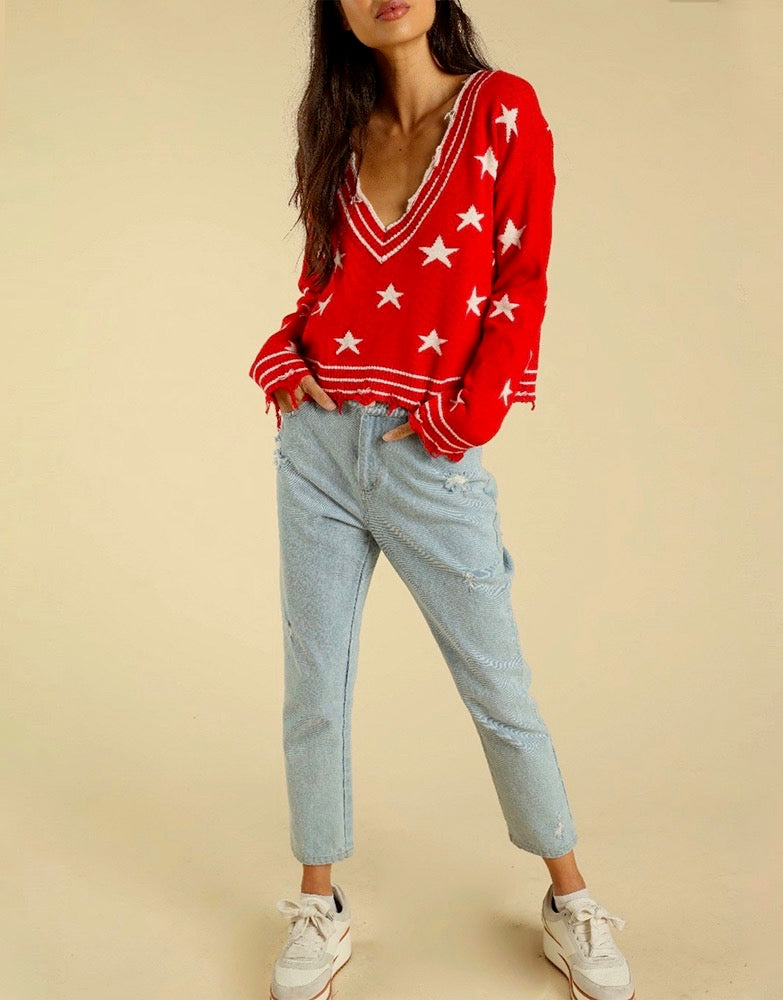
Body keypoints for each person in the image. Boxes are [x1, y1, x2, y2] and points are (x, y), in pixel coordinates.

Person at [248, 3, 635, 999]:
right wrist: (283, 355)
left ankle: (569, 898)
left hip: (428, 452)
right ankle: (319, 901)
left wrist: (463, 419)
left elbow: (522, 277)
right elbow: (320, 286)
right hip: (317, 449)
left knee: (497, 685)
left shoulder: (502, 109)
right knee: (314, 685)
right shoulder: (338, 128)